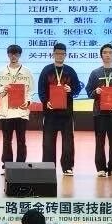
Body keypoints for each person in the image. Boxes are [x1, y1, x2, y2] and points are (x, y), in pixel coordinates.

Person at [37, 43, 81, 176]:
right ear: (53, 54)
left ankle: (67, 167)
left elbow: (78, 88)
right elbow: (41, 90)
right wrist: (46, 102)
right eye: (57, 53)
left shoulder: (70, 71)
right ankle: (48, 167)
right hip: (50, 113)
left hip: (66, 114)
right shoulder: (46, 70)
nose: (60, 56)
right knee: (48, 142)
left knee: (68, 142)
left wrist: (71, 89)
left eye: (62, 54)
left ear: (65, 55)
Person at [86, 43, 112, 177]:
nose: (107, 55)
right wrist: (96, 91)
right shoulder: (95, 73)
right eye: (105, 52)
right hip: (99, 113)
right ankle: (101, 168)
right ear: (101, 55)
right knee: (100, 142)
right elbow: (89, 92)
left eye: (110, 52)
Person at [0, 44, 34, 172]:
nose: (13, 56)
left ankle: (21, 165)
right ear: (8, 55)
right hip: (6, 112)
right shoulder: (1, 71)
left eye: (16, 54)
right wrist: (3, 89)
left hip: (21, 112)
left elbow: (31, 90)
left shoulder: (27, 71)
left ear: (20, 55)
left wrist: (28, 101)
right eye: (11, 54)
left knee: (21, 140)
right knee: (7, 140)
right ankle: (7, 165)